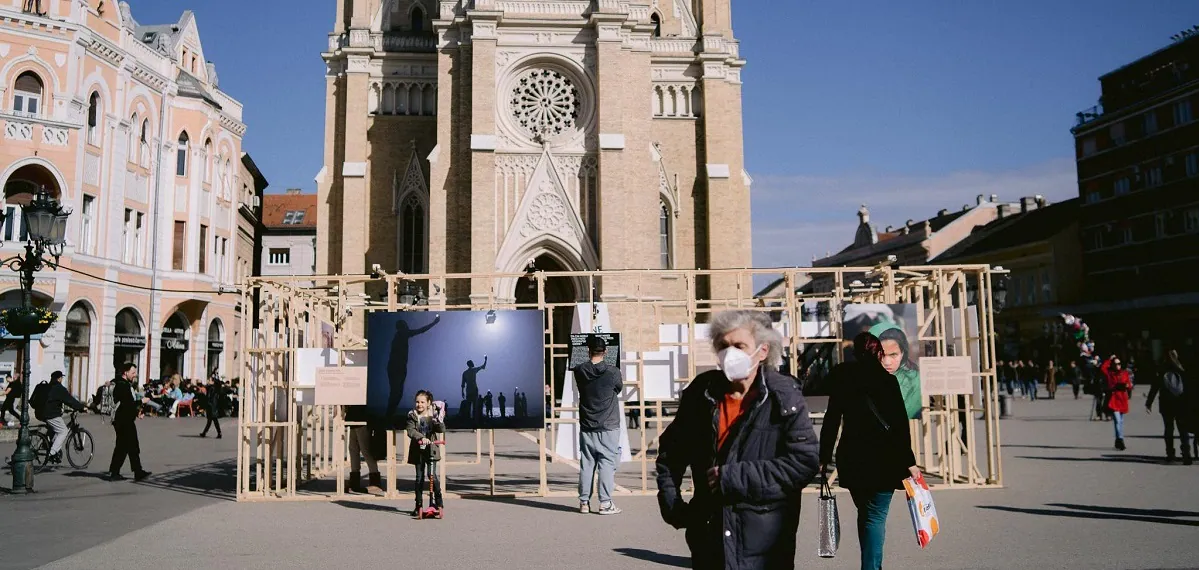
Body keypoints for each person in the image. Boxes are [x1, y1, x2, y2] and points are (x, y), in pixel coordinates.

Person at [656, 310, 819, 569]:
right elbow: (670, 453)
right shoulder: (702, 394)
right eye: (723, 346)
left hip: (766, 545)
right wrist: (671, 503)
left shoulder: (783, 397)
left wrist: (732, 477)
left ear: (762, 351)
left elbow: (803, 463)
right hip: (709, 541)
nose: (729, 353)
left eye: (739, 346)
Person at [820, 332, 921, 570]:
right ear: (878, 353)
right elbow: (899, 426)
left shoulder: (843, 378)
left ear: (855, 352)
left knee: (866, 514)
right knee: (875, 517)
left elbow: (831, 420)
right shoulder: (887, 380)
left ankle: (872, 564)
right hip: (884, 461)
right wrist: (910, 462)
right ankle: (871, 567)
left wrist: (823, 457)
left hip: (852, 459)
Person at [574, 335, 624, 515]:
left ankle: (584, 502)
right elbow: (618, 389)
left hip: (587, 424)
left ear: (588, 351)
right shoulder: (613, 372)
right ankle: (605, 503)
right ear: (606, 352)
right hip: (609, 424)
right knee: (607, 464)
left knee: (587, 464)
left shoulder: (579, 371)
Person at [386, 315, 441, 419]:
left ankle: (389, 415)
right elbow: (421, 330)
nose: (407, 326)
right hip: (397, 367)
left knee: (397, 393)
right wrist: (434, 323)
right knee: (396, 393)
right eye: (405, 325)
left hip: (398, 367)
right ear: (402, 327)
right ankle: (388, 416)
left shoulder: (399, 335)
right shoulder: (402, 334)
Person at [109, 363, 153, 481]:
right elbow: (128, 405)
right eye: (133, 373)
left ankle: (115, 472)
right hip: (124, 421)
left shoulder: (118, 383)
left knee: (122, 446)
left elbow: (126, 405)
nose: (135, 375)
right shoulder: (123, 386)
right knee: (132, 446)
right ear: (125, 373)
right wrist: (141, 402)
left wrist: (137, 412)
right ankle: (137, 472)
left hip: (120, 420)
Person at [1146, 350, 1191, 465]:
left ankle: (1170, 454)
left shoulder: (1161, 371)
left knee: (1168, 429)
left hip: (1166, 405)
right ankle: (1186, 454)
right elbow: (1189, 388)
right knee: (1183, 430)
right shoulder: (1182, 370)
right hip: (1181, 404)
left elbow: (1154, 387)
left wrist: (1149, 403)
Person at [869, 322, 922, 419]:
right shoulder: (859, 381)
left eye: (893, 355)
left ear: (903, 353)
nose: (887, 362)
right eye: (881, 355)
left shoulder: (916, 382)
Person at [405, 390, 444, 516]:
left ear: (428, 403)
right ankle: (418, 505)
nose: (419, 404)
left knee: (432, 476)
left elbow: (441, 429)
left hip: (431, 450)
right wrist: (421, 438)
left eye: (422, 402)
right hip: (418, 451)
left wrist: (439, 419)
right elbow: (410, 431)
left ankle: (438, 502)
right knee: (419, 478)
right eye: (417, 402)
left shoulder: (433, 415)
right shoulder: (412, 415)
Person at [33, 371, 85, 464]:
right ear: (59, 378)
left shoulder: (48, 387)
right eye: (61, 378)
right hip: (50, 414)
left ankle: (48, 444)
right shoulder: (59, 388)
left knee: (55, 429)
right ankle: (52, 453)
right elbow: (70, 400)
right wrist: (81, 407)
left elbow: (53, 401)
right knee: (63, 431)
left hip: (40, 413)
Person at [345, 403, 381, 492]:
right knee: (353, 448)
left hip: (362, 414)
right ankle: (354, 480)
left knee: (365, 449)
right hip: (354, 414)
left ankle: (375, 481)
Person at [1102, 356, 1132, 451]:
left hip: (1122, 398)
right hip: (1113, 399)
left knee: (1120, 421)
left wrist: (1127, 386)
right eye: (1115, 364)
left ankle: (1117, 439)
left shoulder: (1125, 373)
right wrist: (1110, 359)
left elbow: (1129, 385)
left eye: (1119, 364)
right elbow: (1103, 368)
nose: (1117, 365)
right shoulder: (1109, 373)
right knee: (1117, 421)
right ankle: (1120, 439)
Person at [461, 356, 487, 422]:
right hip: (474, 390)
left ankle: (468, 420)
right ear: (471, 364)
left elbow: (463, 384)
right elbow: (483, 366)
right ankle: (475, 421)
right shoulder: (474, 369)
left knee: (468, 406)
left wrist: (462, 392)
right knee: (475, 406)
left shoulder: (464, 373)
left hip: (468, 391)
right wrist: (485, 360)